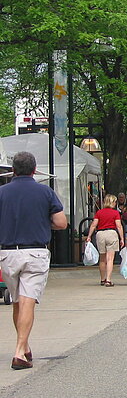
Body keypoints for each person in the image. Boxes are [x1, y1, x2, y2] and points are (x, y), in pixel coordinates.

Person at [0, 151, 67, 370]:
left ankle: (25, 346)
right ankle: (19, 352)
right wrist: (42, 223)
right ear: (34, 170)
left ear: (13, 170)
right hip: (35, 252)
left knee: (18, 301)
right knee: (28, 301)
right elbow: (61, 223)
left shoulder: (2, 192)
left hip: (8, 254)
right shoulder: (45, 192)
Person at [85, 194, 125, 287]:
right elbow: (119, 226)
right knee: (110, 259)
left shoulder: (99, 212)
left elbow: (94, 225)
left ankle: (102, 279)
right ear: (112, 202)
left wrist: (89, 236)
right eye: (115, 202)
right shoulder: (115, 213)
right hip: (111, 234)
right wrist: (122, 238)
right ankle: (108, 280)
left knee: (102, 259)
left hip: (100, 234)